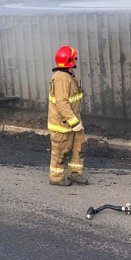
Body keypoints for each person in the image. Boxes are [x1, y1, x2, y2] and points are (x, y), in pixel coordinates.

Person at [47, 45, 87, 186]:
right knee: (61, 151)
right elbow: (62, 103)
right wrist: (74, 122)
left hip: (73, 121)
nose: (75, 59)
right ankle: (56, 178)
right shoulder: (62, 78)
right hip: (63, 124)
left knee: (79, 147)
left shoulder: (68, 75)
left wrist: (76, 122)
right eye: (74, 58)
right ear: (69, 61)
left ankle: (75, 174)